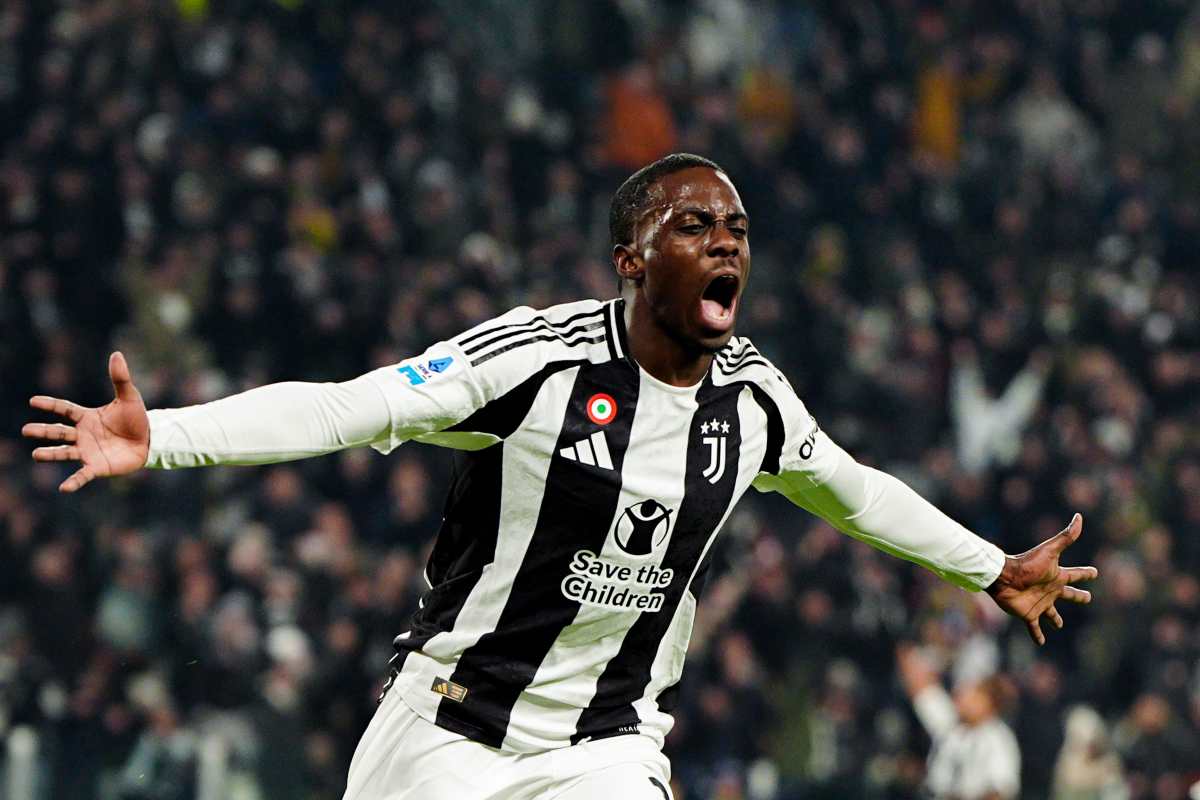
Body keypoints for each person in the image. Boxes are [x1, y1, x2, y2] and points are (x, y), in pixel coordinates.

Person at [23, 153, 1099, 800]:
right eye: (693, 225)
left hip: (604, 745)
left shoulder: (754, 401)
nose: (725, 243)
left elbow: (856, 493)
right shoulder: (536, 362)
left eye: (736, 229)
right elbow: (349, 407)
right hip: (450, 729)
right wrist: (165, 436)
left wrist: (992, 567)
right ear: (632, 260)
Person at [897, 644, 1022, 800]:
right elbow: (920, 687)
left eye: (973, 696)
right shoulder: (950, 722)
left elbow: (1000, 791)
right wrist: (908, 651)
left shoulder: (999, 738)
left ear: (990, 703)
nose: (962, 698)